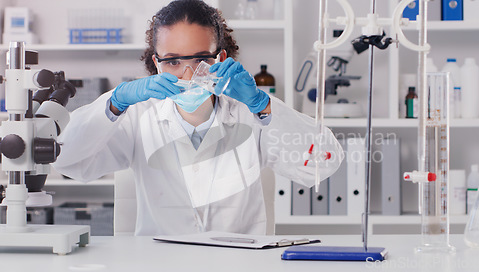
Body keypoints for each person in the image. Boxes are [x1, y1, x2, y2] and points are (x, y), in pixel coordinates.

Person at [53, 0, 344, 236]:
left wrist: (261, 104)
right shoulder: (139, 116)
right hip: (158, 264)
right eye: (174, 61)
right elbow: (68, 161)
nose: (189, 75)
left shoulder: (251, 113)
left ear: (221, 58)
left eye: (201, 59)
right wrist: (114, 103)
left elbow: (325, 163)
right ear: (156, 63)